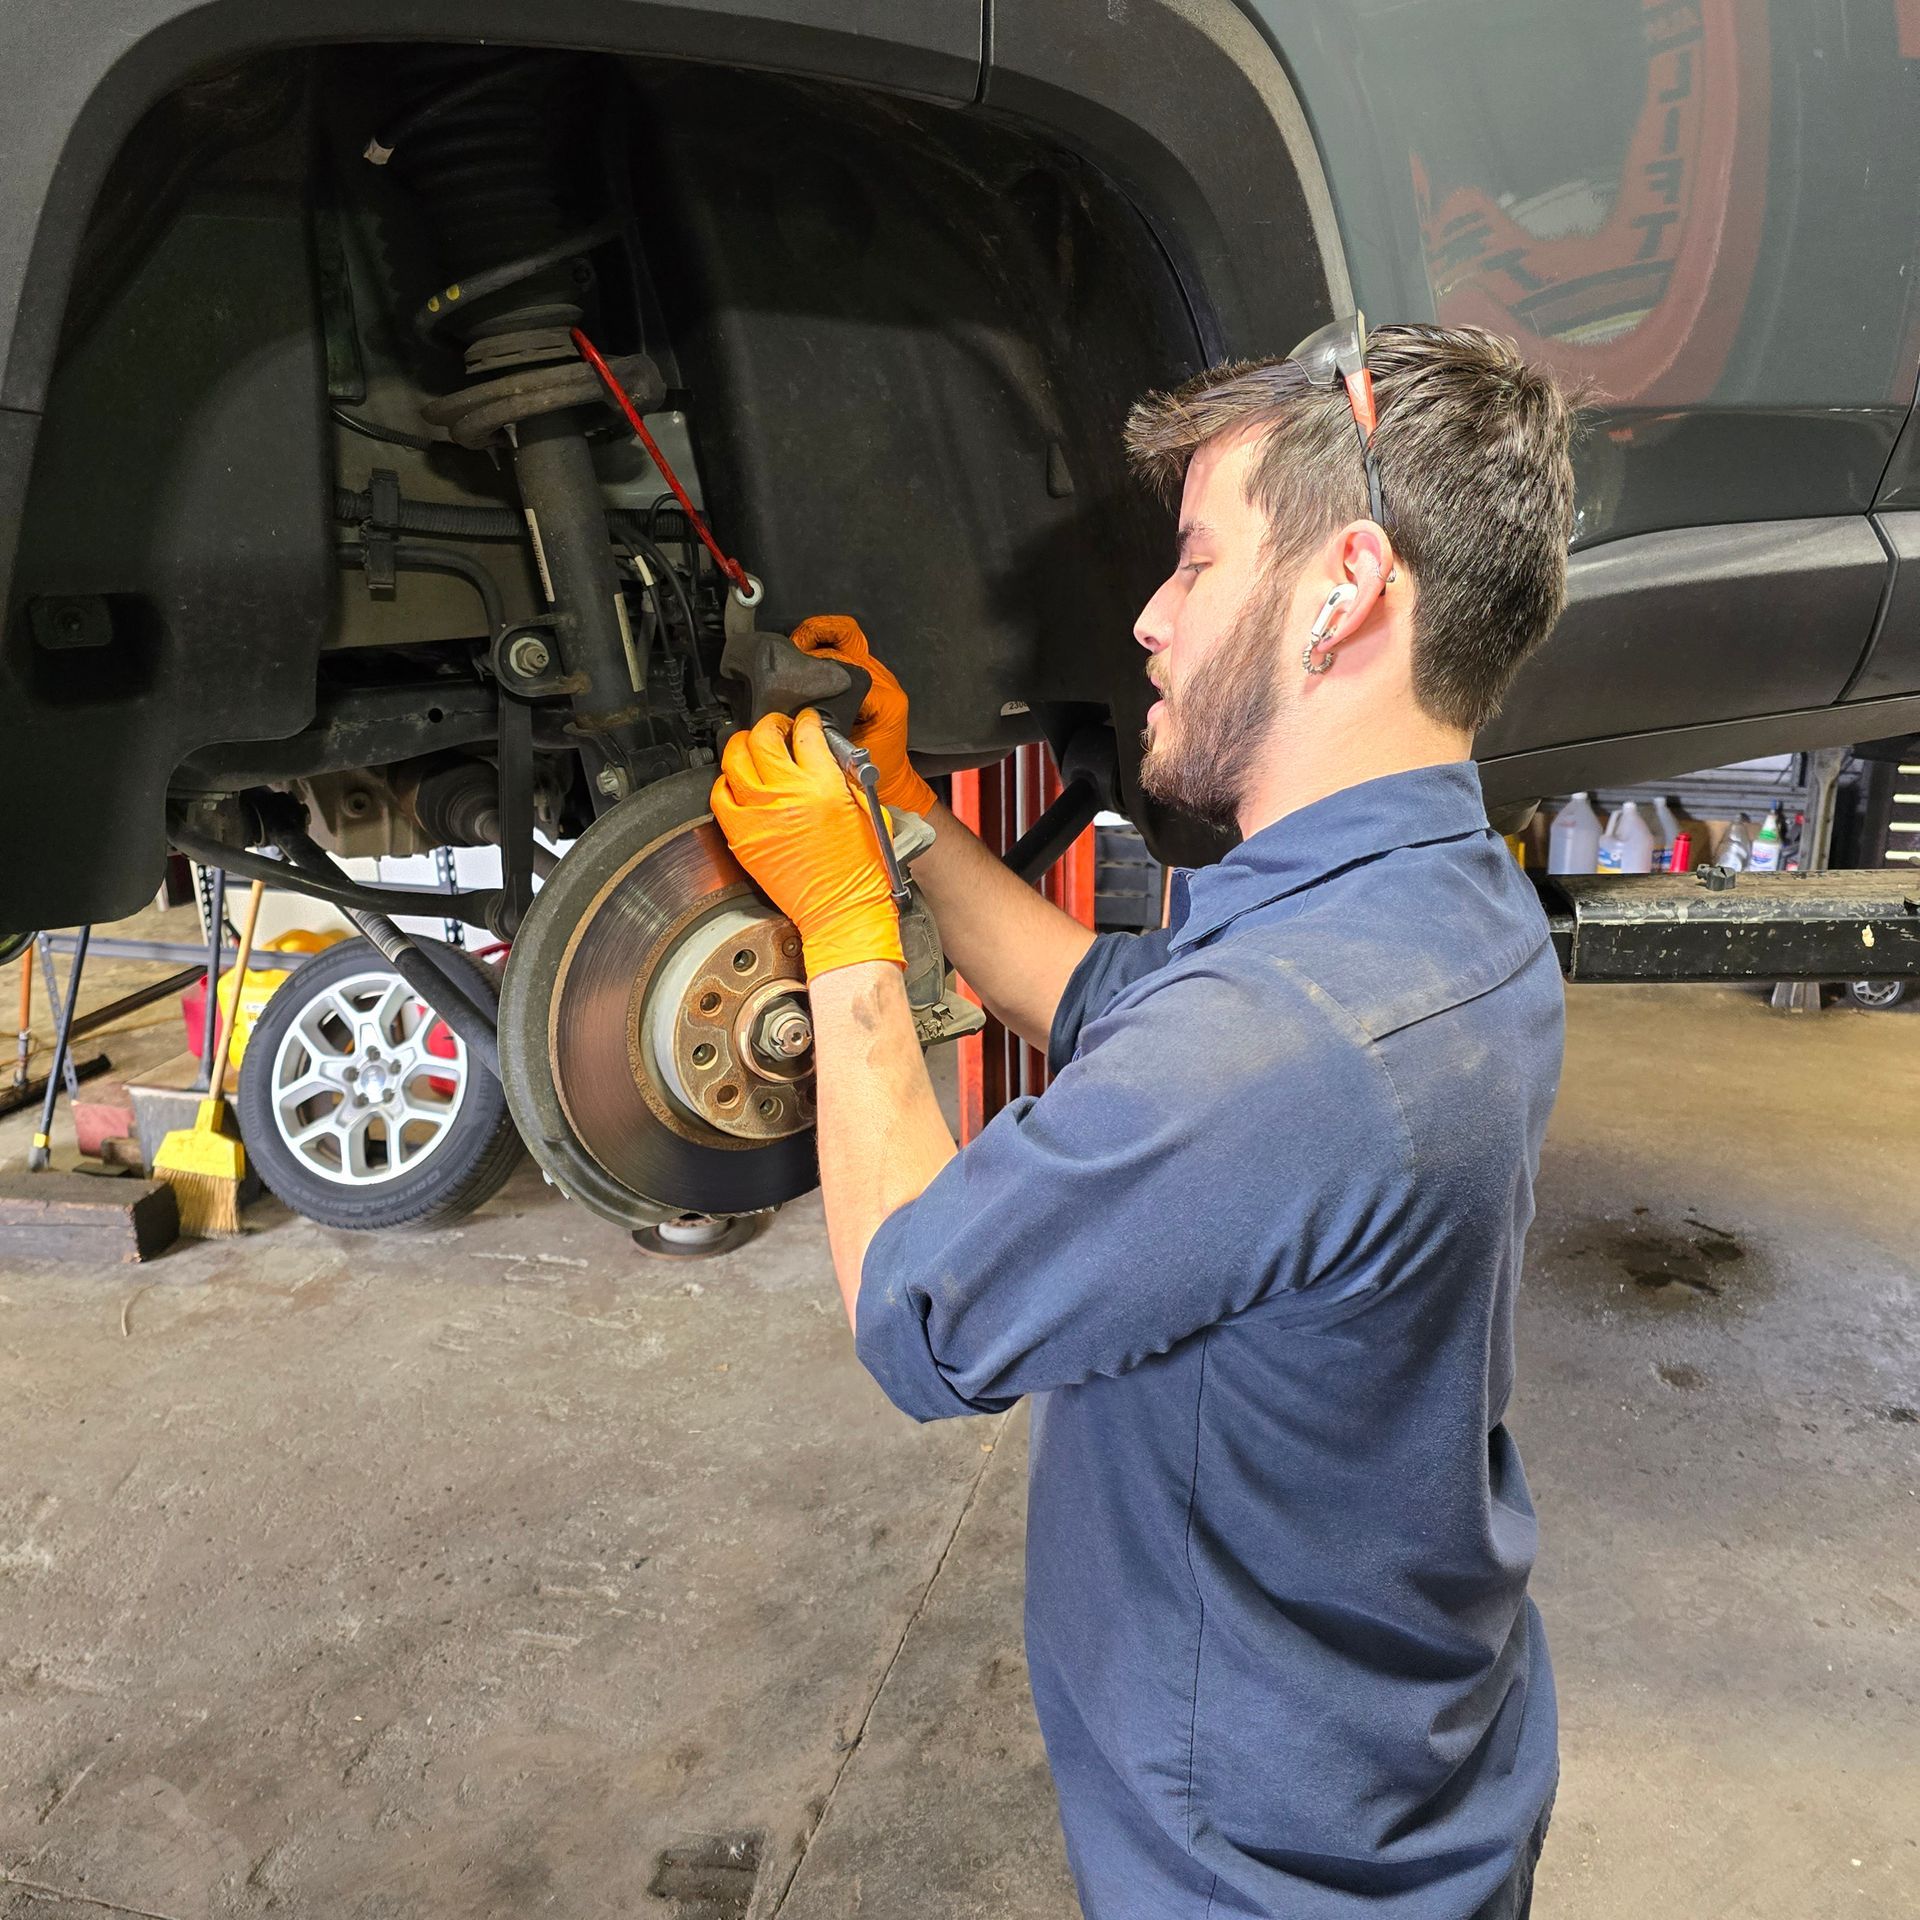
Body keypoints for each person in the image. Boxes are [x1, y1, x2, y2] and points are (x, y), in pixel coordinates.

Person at [710, 318, 1580, 1920]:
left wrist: (844, 937)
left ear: (1347, 591)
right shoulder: (1445, 910)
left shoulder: (1286, 1043)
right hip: (1415, 1753)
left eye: (1194, 560)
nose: (1149, 616)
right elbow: (1119, 1013)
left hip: (1268, 1866)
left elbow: (914, 1308)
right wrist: (901, 821)